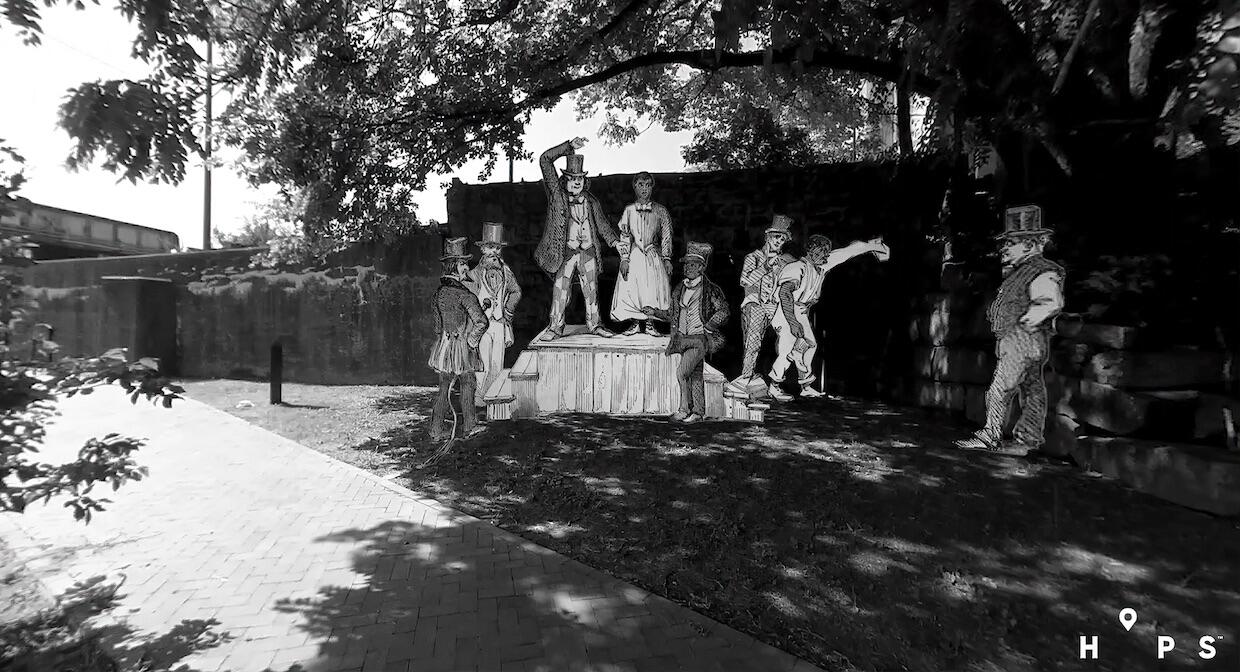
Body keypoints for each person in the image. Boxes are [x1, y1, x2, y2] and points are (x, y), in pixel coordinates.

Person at [955, 206, 1065, 454]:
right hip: (1023, 339)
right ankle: (1028, 439)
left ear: (1029, 244)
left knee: (1000, 388)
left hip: (1023, 339)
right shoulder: (1021, 272)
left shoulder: (1042, 271)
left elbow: (1051, 302)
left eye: (1011, 243)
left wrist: (1023, 325)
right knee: (1031, 389)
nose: (1005, 248)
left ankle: (991, 434)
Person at [768, 234, 890, 401]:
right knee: (787, 346)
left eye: (827, 251)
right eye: (822, 251)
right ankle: (774, 386)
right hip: (785, 310)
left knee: (810, 345)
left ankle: (805, 385)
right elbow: (785, 294)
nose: (826, 254)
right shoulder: (797, 268)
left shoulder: (821, 266)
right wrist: (792, 322)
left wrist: (872, 246)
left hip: (801, 310)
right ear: (811, 251)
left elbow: (846, 252)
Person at [533, 137, 620, 339]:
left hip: (588, 252)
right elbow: (545, 160)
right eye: (573, 178)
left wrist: (615, 242)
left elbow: (602, 225)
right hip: (566, 253)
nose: (577, 181)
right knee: (561, 290)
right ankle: (555, 327)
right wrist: (568, 147)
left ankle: (595, 325)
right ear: (565, 180)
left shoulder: (591, 201)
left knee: (591, 291)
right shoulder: (557, 194)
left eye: (580, 177)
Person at [641, 242, 729, 423]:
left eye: (692, 265)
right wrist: (655, 312)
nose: (687, 268)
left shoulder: (711, 290)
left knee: (682, 372)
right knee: (695, 375)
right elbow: (672, 314)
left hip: (699, 340)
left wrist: (710, 326)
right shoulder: (679, 288)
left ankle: (683, 409)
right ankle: (697, 412)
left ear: (702, 268)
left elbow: (724, 311)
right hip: (681, 339)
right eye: (686, 264)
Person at [729, 214, 796, 398]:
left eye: (782, 238)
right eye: (776, 237)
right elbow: (744, 280)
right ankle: (746, 376)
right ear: (768, 237)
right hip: (755, 303)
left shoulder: (786, 260)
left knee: (790, 337)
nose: (779, 241)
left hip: (774, 306)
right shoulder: (754, 257)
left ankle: (776, 382)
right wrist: (767, 266)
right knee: (754, 340)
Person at [428, 237, 488, 440]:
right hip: (462, 346)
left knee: (444, 386)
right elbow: (482, 322)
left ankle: (436, 430)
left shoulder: (438, 293)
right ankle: (469, 426)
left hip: (444, 346)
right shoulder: (466, 295)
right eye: (464, 264)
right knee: (468, 382)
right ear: (455, 266)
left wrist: (446, 339)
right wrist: (471, 342)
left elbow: (437, 327)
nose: (466, 269)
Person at [466, 222, 521, 405]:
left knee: (497, 363)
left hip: (499, 324)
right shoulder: (473, 275)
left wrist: (507, 310)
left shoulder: (506, 272)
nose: (494, 252)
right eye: (490, 247)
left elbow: (516, 292)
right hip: (481, 325)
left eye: (497, 248)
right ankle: (479, 399)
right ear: (482, 250)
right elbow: (467, 298)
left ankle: (494, 398)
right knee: (483, 364)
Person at [611, 172, 673, 336]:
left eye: (647, 185)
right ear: (635, 186)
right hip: (635, 253)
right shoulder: (629, 210)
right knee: (633, 286)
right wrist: (624, 258)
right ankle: (635, 323)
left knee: (651, 287)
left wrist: (666, 257)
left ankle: (651, 323)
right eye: (640, 185)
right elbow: (625, 236)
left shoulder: (660, 211)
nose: (644, 189)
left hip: (652, 254)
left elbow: (666, 235)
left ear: (652, 187)